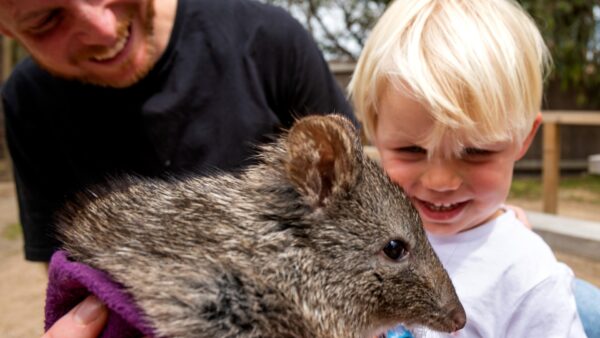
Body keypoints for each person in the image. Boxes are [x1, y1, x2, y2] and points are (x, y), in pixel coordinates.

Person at [0, 0, 354, 336]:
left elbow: (356, 220)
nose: (104, 30)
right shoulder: (27, 101)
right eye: (45, 20)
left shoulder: (270, 39)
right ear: (6, 27)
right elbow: (68, 274)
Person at [348, 0, 588, 336]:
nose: (440, 181)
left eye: (476, 151)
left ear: (523, 139)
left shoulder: (527, 276)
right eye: (411, 149)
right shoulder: (359, 237)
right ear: (373, 131)